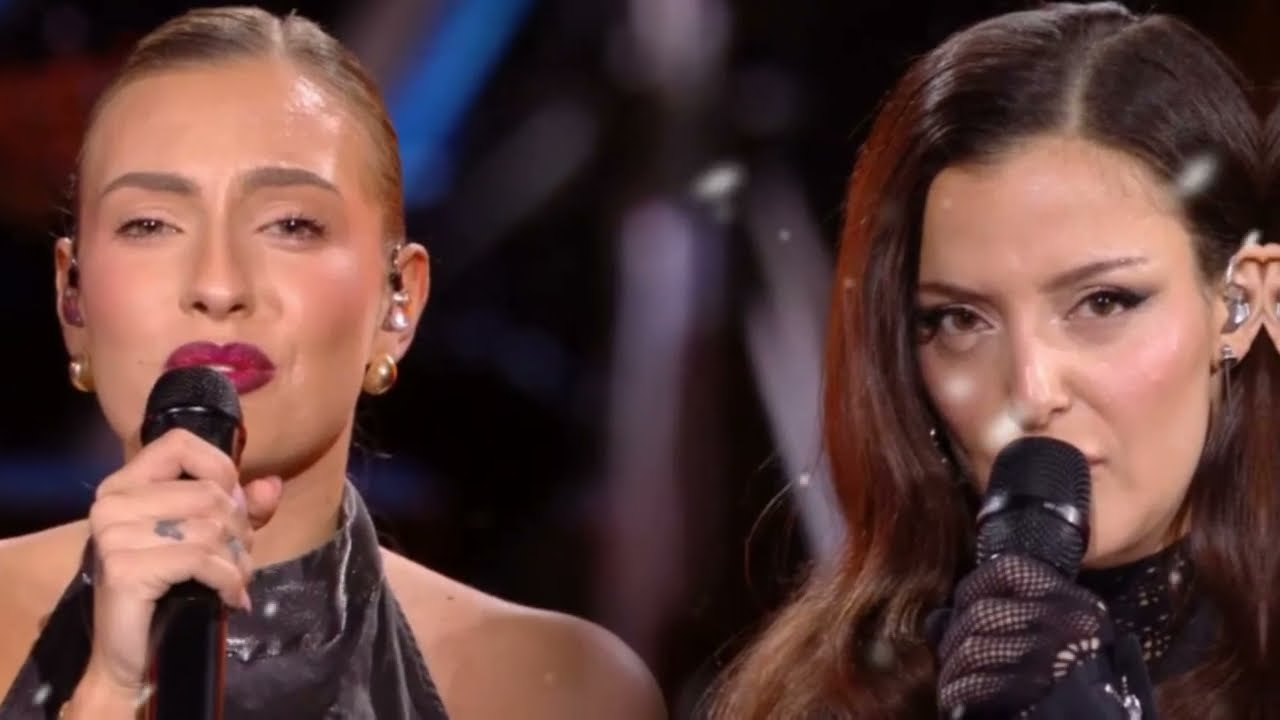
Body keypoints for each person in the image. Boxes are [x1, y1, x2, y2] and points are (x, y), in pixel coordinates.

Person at [0, 6, 666, 719]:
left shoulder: (556, 688)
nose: (218, 285)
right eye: (150, 224)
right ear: (73, 299)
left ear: (398, 300)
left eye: (291, 225)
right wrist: (109, 690)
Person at [707, 3, 1275, 718]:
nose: (1030, 392)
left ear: (1242, 304)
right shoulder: (828, 693)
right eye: (960, 320)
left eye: (1103, 303)